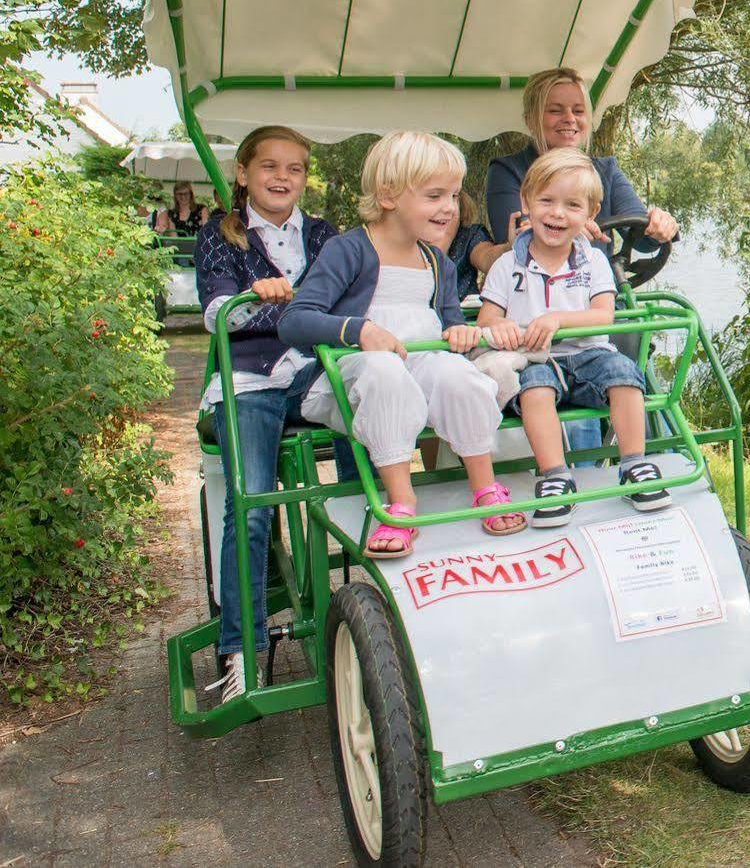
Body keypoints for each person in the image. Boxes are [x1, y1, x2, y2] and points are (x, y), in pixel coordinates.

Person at [281, 131, 526, 559]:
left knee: (458, 376)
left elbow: (449, 325)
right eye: (434, 195)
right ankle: (399, 502)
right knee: (384, 372)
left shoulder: (436, 262)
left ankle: (484, 485)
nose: (450, 207)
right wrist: (357, 330)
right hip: (356, 375)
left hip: (420, 363)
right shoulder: (349, 250)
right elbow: (295, 320)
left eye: (453, 195)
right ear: (389, 195)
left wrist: (461, 334)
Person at [192, 126, 337, 703]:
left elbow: (346, 303)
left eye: (295, 168)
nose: (283, 177)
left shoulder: (323, 235)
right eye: (270, 167)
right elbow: (220, 314)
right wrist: (266, 301)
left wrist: (291, 311)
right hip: (248, 380)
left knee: (373, 437)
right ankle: (241, 650)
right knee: (250, 506)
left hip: (309, 372)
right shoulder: (220, 235)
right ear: (244, 174)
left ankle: (379, 604)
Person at [477, 149, 671, 526]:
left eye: (571, 205)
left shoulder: (592, 261)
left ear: (589, 215)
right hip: (537, 357)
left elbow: (602, 317)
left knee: (623, 370)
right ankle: (555, 476)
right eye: (546, 201)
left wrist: (557, 320)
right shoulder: (507, 265)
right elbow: (487, 320)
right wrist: (498, 328)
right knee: (533, 388)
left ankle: (635, 464)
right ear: (526, 203)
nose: (557, 213)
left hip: (588, 356)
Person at [484, 67, 679, 255]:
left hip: (600, 286)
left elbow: (641, 239)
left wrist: (659, 226)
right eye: (555, 110)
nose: (569, 118)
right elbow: (519, 240)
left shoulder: (606, 170)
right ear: (530, 120)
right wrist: (569, 232)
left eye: (578, 111)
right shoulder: (507, 171)